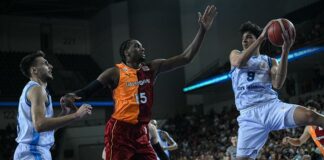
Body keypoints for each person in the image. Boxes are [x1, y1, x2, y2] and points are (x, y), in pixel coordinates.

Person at [61, 5, 217, 160]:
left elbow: (186, 58)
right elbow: (86, 91)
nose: (142, 49)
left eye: (142, 46)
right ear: (126, 53)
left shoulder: (152, 68)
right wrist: (70, 96)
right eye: (137, 46)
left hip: (142, 132)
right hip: (120, 130)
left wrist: (202, 31)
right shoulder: (114, 72)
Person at [229, 20, 324, 160]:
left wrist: (285, 50)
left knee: (311, 115)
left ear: (257, 39)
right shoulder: (235, 54)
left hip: (271, 107)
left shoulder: (270, 61)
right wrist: (262, 37)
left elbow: (278, 83)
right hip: (248, 116)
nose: (244, 40)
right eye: (243, 38)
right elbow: (238, 62)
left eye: (249, 36)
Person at [14, 51, 92, 160]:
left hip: (31, 152)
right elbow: (40, 125)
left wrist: (64, 112)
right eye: (45, 63)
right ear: (34, 70)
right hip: (33, 152)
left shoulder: (35, 90)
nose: (51, 66)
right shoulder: (37, 90)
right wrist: (77, 115)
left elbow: (44, 129)